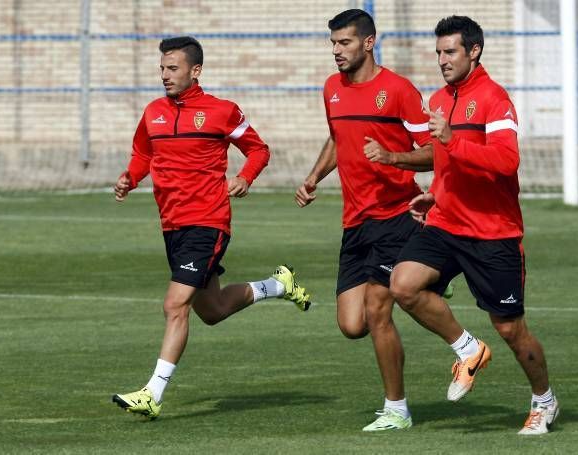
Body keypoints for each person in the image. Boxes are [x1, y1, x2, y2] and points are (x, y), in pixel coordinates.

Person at [111, 36, 311, 420]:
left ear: (195, 70)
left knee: (175, 305)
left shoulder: (221, 112)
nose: (165, 75)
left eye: (173, 68)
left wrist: (246, 177)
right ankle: (278, 285)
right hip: (171, 224)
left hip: (207, 221)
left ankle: (153, 393)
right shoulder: (153, 111)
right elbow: (143, 153)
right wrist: (130, 178)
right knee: (213, 310)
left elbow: (259, 149)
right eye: (162, 68)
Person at [389, 16, 559, 435]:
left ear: (474, 51)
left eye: (450, 52)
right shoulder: (440, 98)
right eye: (438, 53)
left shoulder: (495, 99)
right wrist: (436, 193)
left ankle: (544, 400)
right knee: (403, 284)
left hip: (493, 233)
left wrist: (450, 140)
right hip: (447, 223)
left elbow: (506, 162)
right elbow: (449, 163)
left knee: (510, 329)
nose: (442, 60)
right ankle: (468, 349)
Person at [295, 9, 439, 432]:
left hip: (397, 215)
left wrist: (394, 158)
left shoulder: (398, 90)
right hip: (356, 221)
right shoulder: (332, 89)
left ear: (369, 42)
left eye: (345, 43)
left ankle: (397, 409)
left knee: (378, 312)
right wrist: (314, 176)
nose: (337, 51)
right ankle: (428, 285)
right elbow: (340, 139)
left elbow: (432, 149)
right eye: (334, 44)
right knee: (351, 323)